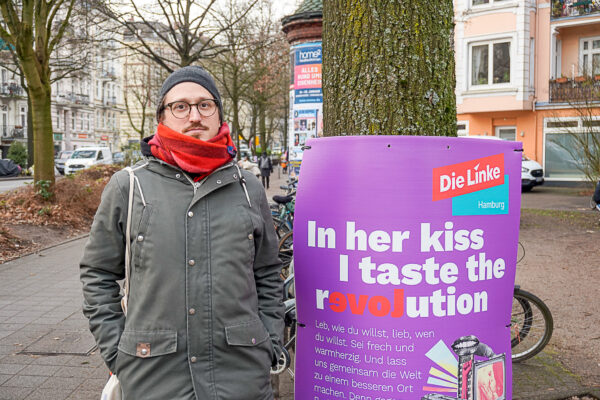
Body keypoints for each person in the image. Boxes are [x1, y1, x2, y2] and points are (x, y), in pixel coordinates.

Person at [80, 66, 284, 400]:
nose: (194, 115)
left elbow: (267, 272)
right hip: (153, 376)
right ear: (162, 116)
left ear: (218, 114)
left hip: (242, 375)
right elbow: (97, 274)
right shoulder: (129, 187)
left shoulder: (247, 188)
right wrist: (117, 352)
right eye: (181, 106)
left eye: (205, 105)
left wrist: (270, 344)